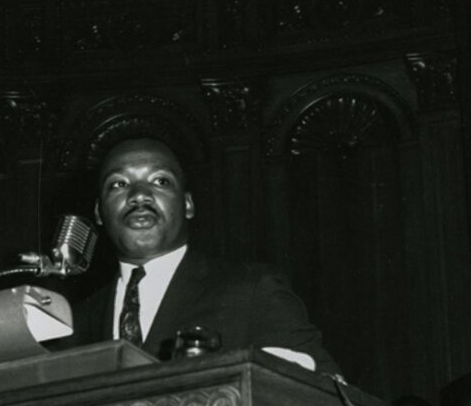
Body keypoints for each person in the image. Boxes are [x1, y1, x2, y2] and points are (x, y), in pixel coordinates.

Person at [72, 137, 340, 375]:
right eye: (118, 184)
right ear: (98, 212)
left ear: (187, 204)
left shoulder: (254, 291)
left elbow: (331, 399)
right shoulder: (75, 324)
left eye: (160, 181)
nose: (139, 195)